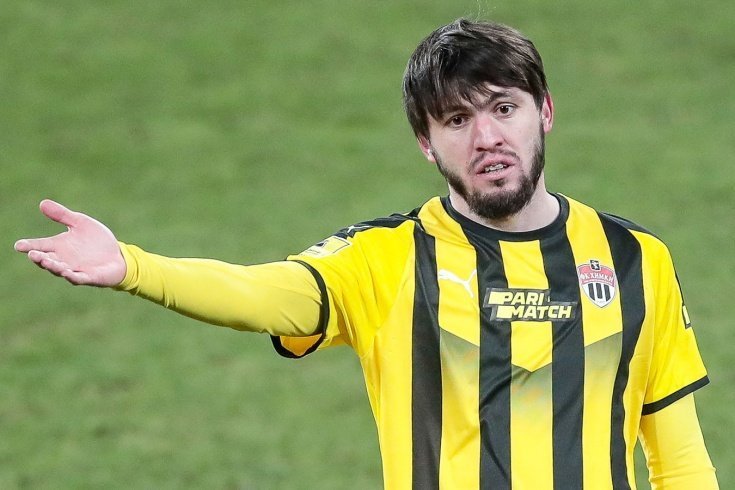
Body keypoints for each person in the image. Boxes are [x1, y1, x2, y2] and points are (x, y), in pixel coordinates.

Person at [14, 18, 718, 489]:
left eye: (504, 108)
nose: (487, 139)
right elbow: (265, 294)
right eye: (457, 119)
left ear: (545, 112)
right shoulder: (384, 260)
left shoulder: (634, 259)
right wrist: (134, 268)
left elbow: (677, 453)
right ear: (426, 143)